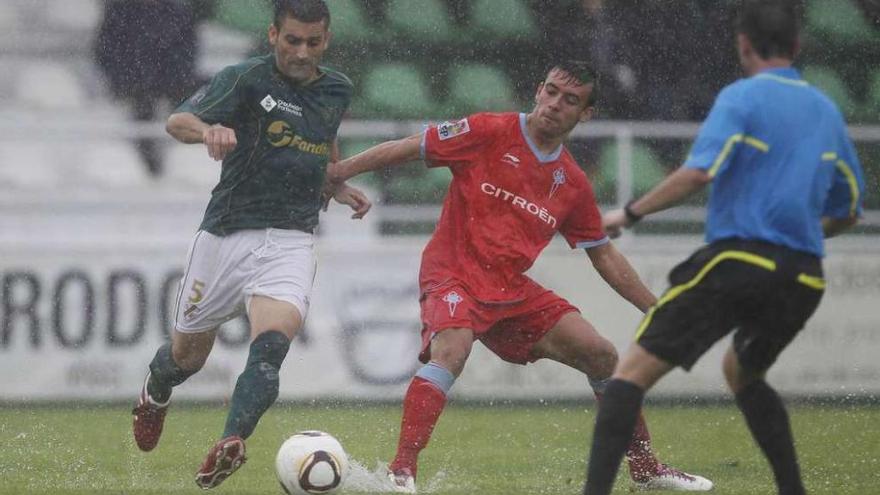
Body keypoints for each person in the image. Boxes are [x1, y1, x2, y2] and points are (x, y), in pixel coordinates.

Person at [327, 60, 713, 493]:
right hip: (452, 273)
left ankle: (646, 470)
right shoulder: (488, 130)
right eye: (550, 92)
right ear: (537, 90)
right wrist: (339, 173)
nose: (554, 105)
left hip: (511, 291)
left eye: (570, 100)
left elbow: (603, 255)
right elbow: (410, 147)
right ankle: (401, 474)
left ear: (585, 115)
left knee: (602, 355)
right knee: (451, 350)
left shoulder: (572, 184)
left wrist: (655, 308)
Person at [584, 2, 865, 494]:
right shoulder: (826, 110)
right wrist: (797, 234)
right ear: (796, 48)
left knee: (627, 376)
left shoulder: (742, 97)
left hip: (741, 261)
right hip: (803, 276)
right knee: (743, 372)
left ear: (742, 45)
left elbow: (697, 173)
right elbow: (848, 211)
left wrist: (629, 214)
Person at [130, 0, 371, 489]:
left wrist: (335, 183)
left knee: (270, 347)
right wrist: (208, 130)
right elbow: (176, 121)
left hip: (292, 238)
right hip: (227, 234)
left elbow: (324, 137)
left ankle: (232, 441)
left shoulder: (337, 88)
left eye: (313, 42)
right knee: (186, 359)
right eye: (292, 41)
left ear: (326, 39)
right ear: (272, 35)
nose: (302, 52)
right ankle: (155, 393)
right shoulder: (246, 79)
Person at [94, 0, 208, 177]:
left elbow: (187, 52)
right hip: (133, 82)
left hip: (170, 80)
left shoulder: (177, 12)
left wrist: (173, 78)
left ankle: (190, 157)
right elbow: (106, 53)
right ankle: (148, 161)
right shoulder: (120, 11)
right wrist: (130, 77)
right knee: (143, 106)